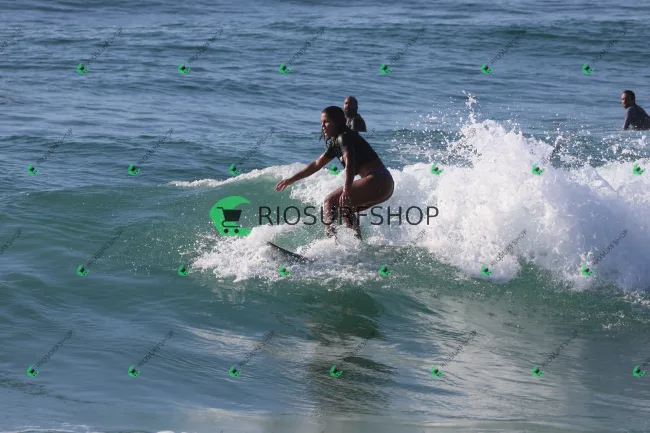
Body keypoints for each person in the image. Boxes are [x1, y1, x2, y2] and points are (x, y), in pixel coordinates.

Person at [275, 106, 394, 240]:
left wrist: (347, 189)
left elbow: (350, 163)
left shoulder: (344, 137)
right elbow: (316, 164)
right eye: (321, 122)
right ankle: (356, 245)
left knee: (330, 201)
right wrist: (291, 179)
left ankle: (330, 242)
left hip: (377, 180)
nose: (322, 126)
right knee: (344, 207)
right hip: (384, 185)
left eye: (326, 122)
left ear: (337, 122)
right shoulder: (335, 143)